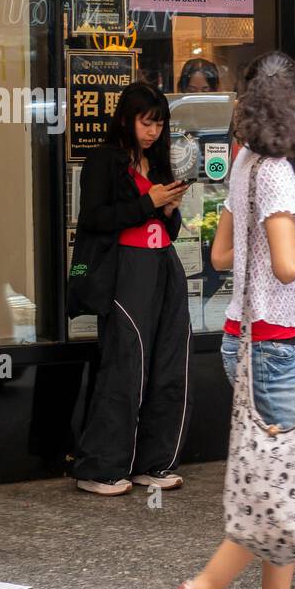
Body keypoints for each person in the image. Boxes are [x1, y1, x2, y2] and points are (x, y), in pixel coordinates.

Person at [173, 52, 295, 589]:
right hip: (272, 344)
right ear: (293, 104)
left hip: (247, 335)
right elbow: (287, 263)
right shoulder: (273, 170)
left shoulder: (244, 162)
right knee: (278, 489)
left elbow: (221, 257)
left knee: (279, 477)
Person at [70, 83, 191, 496]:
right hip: (126, 268)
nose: (153, 131)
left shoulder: (157, 165)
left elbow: (167, 229)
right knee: (127, 364)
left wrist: (169, 209)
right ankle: (101, 465)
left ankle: (153, 461)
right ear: (126, 119)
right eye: (146, 122)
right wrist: (149, 202)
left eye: (159, 123)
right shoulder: (104, 161)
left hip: (164, 265)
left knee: (168, 364)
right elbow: (93, 219)